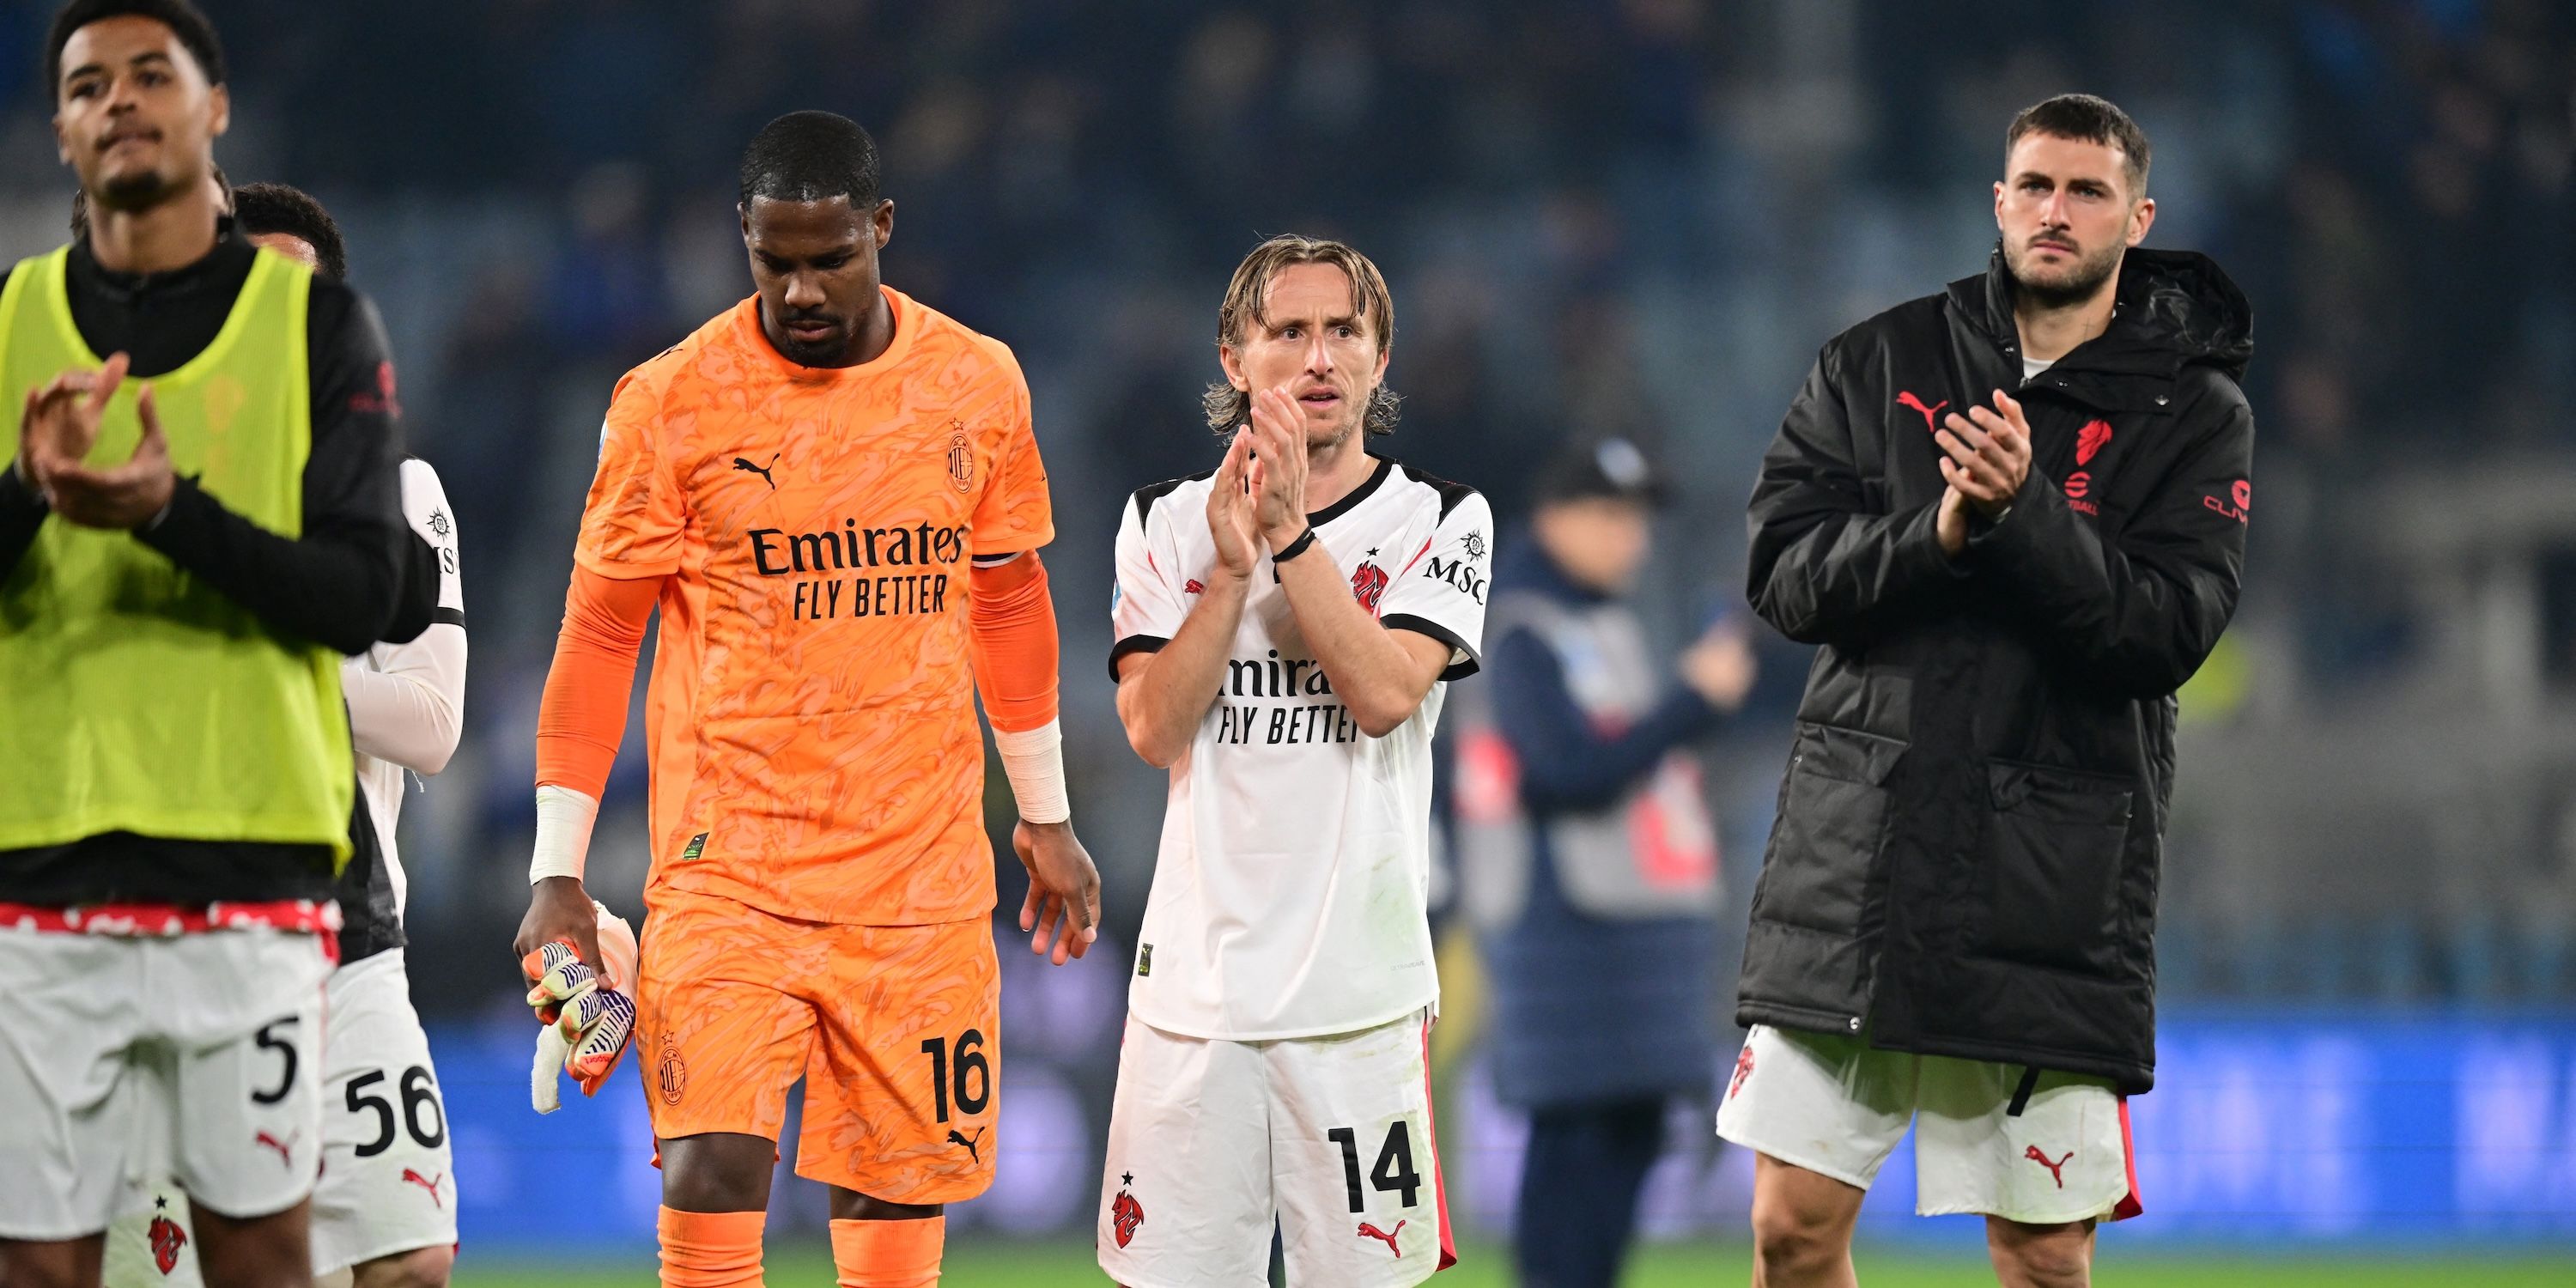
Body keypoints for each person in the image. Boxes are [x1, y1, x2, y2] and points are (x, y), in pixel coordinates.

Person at [513, 110, 1101, 1288]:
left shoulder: (975, 384)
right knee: (712, 1171)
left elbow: (1010, 601)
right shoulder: (670, 403)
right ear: (743, 239)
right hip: (729, 874)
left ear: (882, 228)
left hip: (920, 881)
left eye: (830, 256)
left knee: (892, 1208)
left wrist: (1043, 814)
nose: (802, 288)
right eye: (774, 260)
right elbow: (600, 630)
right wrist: (556, 870)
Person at [1719, 94, 2255, 1287]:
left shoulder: (2193, 411)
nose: (2055, 212)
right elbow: (1783, 579)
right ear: (1998, 201)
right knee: (1789, 1237)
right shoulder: (1878, 361)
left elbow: (2164, 634)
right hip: (1858, 869)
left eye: (2087, 191)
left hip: (2051, 895)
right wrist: (1940, 535)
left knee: (2045, 1262)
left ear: (2139, 216)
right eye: (2035, 186)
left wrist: (2026, 519)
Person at [0, 3, 416, 1286]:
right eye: (86, 84)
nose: (117, 100)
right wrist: (28, 492)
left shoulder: (316, 329)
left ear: (216, 107)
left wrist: (169, 515)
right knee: (42, 1271)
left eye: (148, 74)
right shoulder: (9, 322)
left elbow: (366, 592)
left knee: (259, 1259)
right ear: (61, 126)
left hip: (251, 878)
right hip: (44, 870)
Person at [1100, 234, 1490, 1287]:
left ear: (1381, 357)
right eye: (1289, 332)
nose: (1319, 357)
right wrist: (1227, 578)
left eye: (1343, 331)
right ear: (1235, 358)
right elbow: (1151, 732)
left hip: (1359, 1005)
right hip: (1194, 1004)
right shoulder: (1164, 522)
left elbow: (1382, 694)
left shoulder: (1441, 518)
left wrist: (1291, 541)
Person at [101, 183, 465, 1288]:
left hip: (349, 936)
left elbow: (436, 725)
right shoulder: (139, 476)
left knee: (411, 1262)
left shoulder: (396, 486)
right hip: (162, 947)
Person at [1446, 434, 1756, 1288]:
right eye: (1614, 517)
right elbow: (1562, 774)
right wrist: (1690, 704)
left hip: (1629, 937)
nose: (1635, 539)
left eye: (1641, 520)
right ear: (1553, 520)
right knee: (1577, 1152)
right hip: (1567, 931)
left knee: (1623, 1139)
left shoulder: (1600, 624)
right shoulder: (1520, 630)